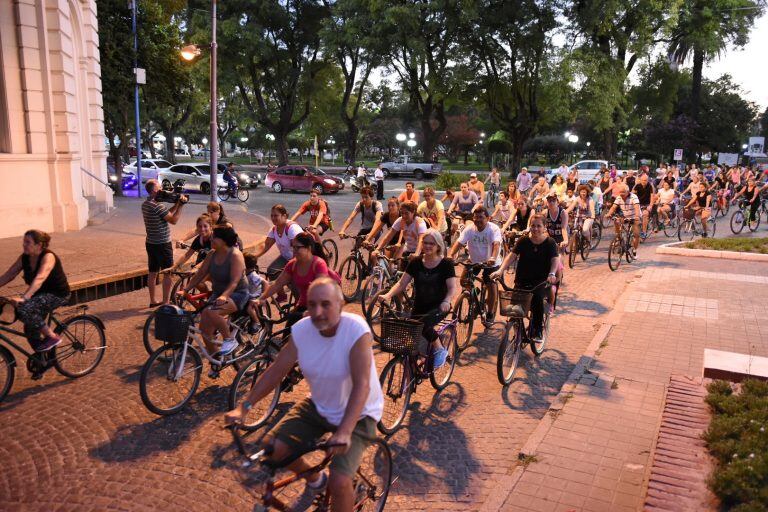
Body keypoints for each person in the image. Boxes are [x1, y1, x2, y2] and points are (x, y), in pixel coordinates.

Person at [225, 278, 383, 512]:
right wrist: (243, 407)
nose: (318, 312)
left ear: (340, 304)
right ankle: (316, 481)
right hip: (319, 405)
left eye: (326, 304)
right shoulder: (301, 331)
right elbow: (276, 371)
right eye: (312, 305)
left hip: (359, 414)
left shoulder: (356, 330)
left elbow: (362, 385)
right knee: (273, 447)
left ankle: (339, 487)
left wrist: (344, 432)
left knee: (340, 480)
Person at [377, 229, 458, 368]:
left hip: (438, 306)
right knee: (410, 331)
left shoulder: (446, 264)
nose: (427, 246)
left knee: (424, 326)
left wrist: (447, 301)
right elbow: (402, 283)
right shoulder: (416, 262)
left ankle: (439, 350)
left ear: (438, 245)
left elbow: (452, 288)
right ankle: (413, 369)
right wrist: (388, 295)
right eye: (425, 243)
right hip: (419, 305)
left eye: (431, 244)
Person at [180, 226, 248, 363]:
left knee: (212, 312)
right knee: (205, 331)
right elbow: (200, 274)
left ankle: (229, 339)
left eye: (214, 236)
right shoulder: (212, 253)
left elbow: (235, 281)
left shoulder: (235, 255)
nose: (211, 238)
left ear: (223, 240)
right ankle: (216, 361)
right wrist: (186, 290)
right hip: (218, 293)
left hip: (237, 294)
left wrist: (224, 296)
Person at [0, 230, 71, 352]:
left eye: (28, 242)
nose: (24, 245)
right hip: (39, 295)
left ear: (39, 245)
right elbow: (9, 275)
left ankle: (52, 337)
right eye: (24, 242)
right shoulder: (25, 258)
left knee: (25, 308)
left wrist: (25, 297)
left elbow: (40, 278)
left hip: (57, 294)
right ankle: (41, 359)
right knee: (30, 328)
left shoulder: (48, 257)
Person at [491, 214, 559, 339]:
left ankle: (537, 330)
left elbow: (555, 260)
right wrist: (500, 270)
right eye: (533, 225)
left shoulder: (550, 242)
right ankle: (517, 330)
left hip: (541, 281)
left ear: (544, 227)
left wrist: (552, 273)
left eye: (539, 226)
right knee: (514, 309)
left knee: (537, 300)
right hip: (522, 279)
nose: (535, 229)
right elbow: (511, 256)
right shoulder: (523, 240)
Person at [256, 232, 330, 328]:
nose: (294, 251)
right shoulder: (293, 264)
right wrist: (261, 298)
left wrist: (312, 311)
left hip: (320, 307)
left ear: (309, 248)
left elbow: (322, 291)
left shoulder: (319, 264)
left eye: (298, 248)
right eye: (293, 247)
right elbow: (277, 284)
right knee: (288, 333)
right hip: (303, 305)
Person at [448, 207, 502, 318]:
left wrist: (493, 258)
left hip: (491, 263)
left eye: (481, 217)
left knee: (491, 285)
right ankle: (473, 295)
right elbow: (458, 243)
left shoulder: (493, 229)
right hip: (474, 260)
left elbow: (496, 244)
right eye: (475, 217)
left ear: (487, 218)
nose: (477, 220)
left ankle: (490, 312)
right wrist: (450, 255)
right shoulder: (469, 229)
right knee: (464, 281)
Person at [142, 179, 186, 307]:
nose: (163, 190)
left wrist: (177, 204)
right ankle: (166, 302)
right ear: (155, 191)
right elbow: (173, 220)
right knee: (168, 272)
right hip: (163, 244)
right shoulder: (158, 206)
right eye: (160, 188)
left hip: (151, 243)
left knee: (152, 272)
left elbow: (167, 214)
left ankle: (152, 300)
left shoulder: (146, 204)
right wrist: (181, 206)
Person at [251, 204, 304, 279]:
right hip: (286, 257)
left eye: (276, 215)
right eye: (271, 215)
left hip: (300, 259)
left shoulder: (292, 229)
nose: (273, 218)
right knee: (271, 271)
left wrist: (290, 266)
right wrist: (253, 257)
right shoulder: (274, 229)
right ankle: (280, 290)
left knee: (291, 280)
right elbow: (266, 245)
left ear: (284, 216)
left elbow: (299, 250)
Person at [604, 184, 641, 254]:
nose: (621, 194)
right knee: (616, 221)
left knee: (636, 235)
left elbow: (636, 207)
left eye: (623, 192)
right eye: (620, 192)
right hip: (625, 216)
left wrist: (637, 216)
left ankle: (634, 249)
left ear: (628, 192)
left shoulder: (634, 197)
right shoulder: (619, 197)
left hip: (635, 216)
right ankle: (618, 237)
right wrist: (609, 214)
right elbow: (613, 207)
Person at [243, 252, 267, 335]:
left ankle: (257, 323)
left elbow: (265, 282)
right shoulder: (244, 272)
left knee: (249, 308)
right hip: (247, 293)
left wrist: (263, 297)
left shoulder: (253, 276)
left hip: (254, 295)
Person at [633, 173, 655, 237]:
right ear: (640, 180)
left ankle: (644, 232)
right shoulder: (637, 186)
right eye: (642, 180)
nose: (644, 181)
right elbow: (632, 194)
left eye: (645, 180)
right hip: (638, 204)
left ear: (647, 180)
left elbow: (652, 197)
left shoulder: (650, 186)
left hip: (646, 204)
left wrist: (650, 205)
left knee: (645, 215)